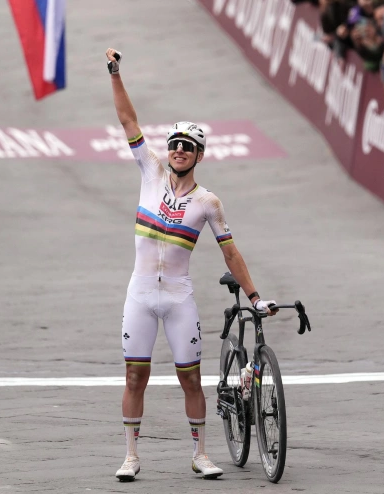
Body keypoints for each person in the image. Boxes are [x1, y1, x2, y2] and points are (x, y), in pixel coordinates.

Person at [105, 48, 278, 482]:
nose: (180, 151)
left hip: (178, 296)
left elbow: (230, 253)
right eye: (176, 145)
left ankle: (200, 454)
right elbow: (128, 121)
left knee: (191, 380)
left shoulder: (207, 203)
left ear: (199, 156)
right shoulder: (150, 172)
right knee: (133, 378)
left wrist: (255, 297)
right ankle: (131, 456)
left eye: (189, 147)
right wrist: (115, 74)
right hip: (141, 294)